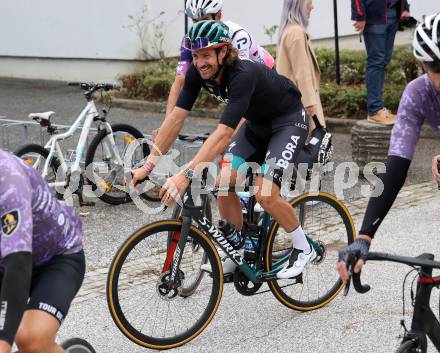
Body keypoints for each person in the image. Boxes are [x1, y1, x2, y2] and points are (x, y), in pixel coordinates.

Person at [132, 20, 315, 279]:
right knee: (222, 183)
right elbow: (175, 119)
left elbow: (224, 133)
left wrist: (185, 175)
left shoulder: (242, 75)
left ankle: (303, 247)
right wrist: (149, 164)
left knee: (265, 193)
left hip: (287, 122)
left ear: (223, 51)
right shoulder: (198, 73)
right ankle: (236, 249)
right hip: (257, 126)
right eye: (195, 56)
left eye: (206, 55)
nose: (200, 62)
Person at [337, 13, 440, 282]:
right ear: (423, 65)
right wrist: (364, 236)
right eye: (437, 67)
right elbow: (396, 162)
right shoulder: (418, 93)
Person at [0, 149, 85, 353]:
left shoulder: (9, 179)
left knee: (31, 339)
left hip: (56, 257)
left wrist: (3, 340)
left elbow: (18, 264)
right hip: (6, 262)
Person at [152, 0, 275, 141]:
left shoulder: (237, 35)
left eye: (204, 19)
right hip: (238, 88)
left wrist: (229, 137)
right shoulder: (191, 40)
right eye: (195, 21)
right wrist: (166, 127)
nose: (199, 26)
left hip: (264, 80)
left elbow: (243, 84)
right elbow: (180, 81)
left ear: (218, 16)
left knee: (235, 141)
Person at [351, 0, 411, 125]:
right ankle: (374, 111)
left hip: (394, 14)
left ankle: (379, 109)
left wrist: (404, 7)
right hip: (374, 16)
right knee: (376, 62)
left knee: (384, 61)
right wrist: (360, 15)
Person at [276, 0, 326, 131]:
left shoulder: (287, 30)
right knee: (312, 145)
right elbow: (302, 72)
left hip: (291, 103)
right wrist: (310, 104)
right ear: (300, 5)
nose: (312, 6)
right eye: (309, 2)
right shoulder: (296, 32)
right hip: (302, 105)